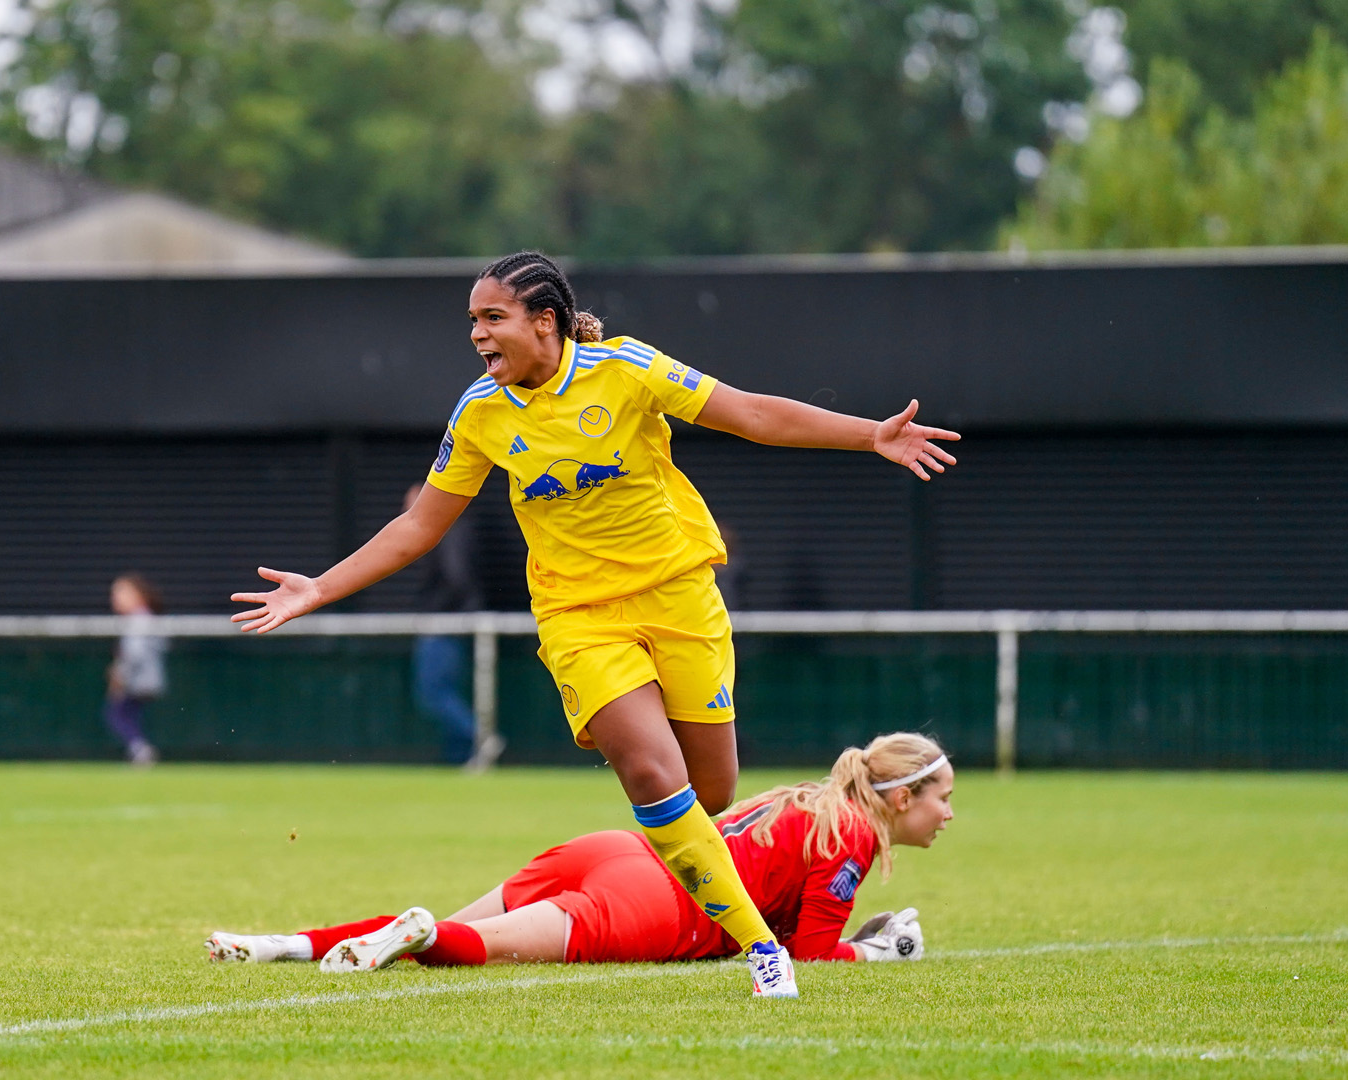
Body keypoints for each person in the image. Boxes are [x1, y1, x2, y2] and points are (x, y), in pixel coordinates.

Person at [232, 250, 960, 998]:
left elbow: (751, 414)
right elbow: (419, 526)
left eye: (493, 318)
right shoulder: (480, 412)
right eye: (472, 322)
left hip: (679, 598)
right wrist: (320, 586)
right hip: (578, 617)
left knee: (712, 793)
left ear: (543, 321)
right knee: (650, 772)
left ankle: (690, 902)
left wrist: (869, 434)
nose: (478, 336)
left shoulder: (627, 369)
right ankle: (762, 951)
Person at [204, 732, 951, 970]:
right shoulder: (851, 834)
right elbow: (813, 954)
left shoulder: (801, 799)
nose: (948, 814)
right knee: (465, 944)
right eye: (941, 796)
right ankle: (420, 931)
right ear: (897, 799)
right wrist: (884, 951)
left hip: (611, 851)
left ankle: (279, 945)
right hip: (656, 907)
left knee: (447, 932)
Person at [402, 482, 504, 770]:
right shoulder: (458, 531)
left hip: (445, 622)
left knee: (434, 692)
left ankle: (480, 738)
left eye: (410, 504)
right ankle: (465, 753)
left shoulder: (448, 532)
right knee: (440, 691)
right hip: (451, 620)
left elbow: (457, 578)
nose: (404, 511)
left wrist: (437, 611)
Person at [104, 573, 167, 767]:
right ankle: (139, 748)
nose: (116, 598)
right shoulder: (144, 618)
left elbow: (135, 653)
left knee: (117, 714)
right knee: (125, 714)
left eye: (121, 593)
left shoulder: (140, 619)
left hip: (139, 680)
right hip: (146, 679)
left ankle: (140, 749)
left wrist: (120, 674)